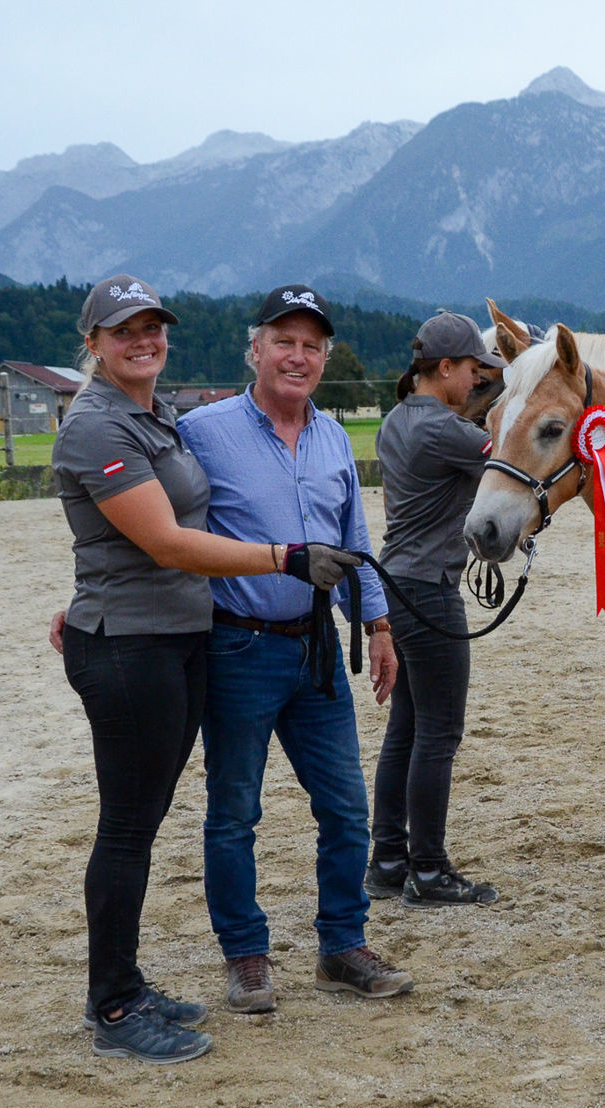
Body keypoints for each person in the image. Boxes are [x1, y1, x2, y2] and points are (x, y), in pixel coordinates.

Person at [52, 274, 358, 1065]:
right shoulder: (100, 425)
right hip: (135, 647)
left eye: (152, 327)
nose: (142, 340)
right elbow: (164, 542)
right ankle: (115, 1008)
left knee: (140, 825)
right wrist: (284, 557)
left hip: (173, 638)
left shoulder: (151, 416)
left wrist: (83, 593)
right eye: (123, 331)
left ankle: (125, 984)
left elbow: (124, 537)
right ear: (92, 344)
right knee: (127, 829)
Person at [175, 285, 413, 1015]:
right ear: (255, 349)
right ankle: (245, 957)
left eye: (312, 345)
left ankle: (342, 945)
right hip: (237, 650)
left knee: (345, 809)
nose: (298, 356)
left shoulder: (335, 438)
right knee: (234, 812)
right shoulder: (202, 431)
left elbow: (355, 543)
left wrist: (378, 626)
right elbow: (167, 532)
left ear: (325, 358)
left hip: (315, 651)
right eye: (284, 341)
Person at [365, 311, 506, 907]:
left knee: (407, 728)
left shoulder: (398, 419)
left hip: (397, 581)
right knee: (439, 733)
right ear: (444, 368)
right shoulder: (445, 430)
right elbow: (511, 451)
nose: (477, 381)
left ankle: (389, 857)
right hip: (429, 591)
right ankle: (429, 867)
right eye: (472, 370)